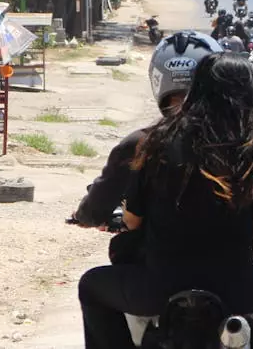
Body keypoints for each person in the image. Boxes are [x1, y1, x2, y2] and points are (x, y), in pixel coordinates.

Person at [78, 54, 253, 349]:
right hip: (237, 288)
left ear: (197, 88)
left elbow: (132, 220)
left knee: (91, 286)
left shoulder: (156, 142)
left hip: (157, 287)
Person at [71, 32, 222, 263]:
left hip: (155, 280)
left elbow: (100, 209)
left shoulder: (140, 144)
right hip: (230, 282)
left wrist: (84, 216)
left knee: (90, 285)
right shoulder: (243, 143)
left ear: (158, 79)